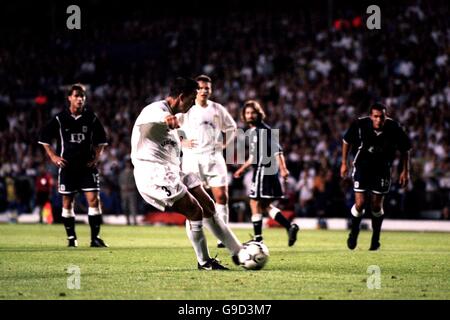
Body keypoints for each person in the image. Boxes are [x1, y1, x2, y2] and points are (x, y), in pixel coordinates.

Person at [130, 77, 242, 270]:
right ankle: (205, 262)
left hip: (173, 171)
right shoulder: (155, 110)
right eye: (191, 99)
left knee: (209, 205)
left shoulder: (177, 118)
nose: (192, 104)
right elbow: (154, 118)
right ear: (181, 97)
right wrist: (166, 120)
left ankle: (239, 252)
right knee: (194, 211)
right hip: (153, 174)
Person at [38, 84, 109, 248]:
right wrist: (53, 156)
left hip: (87, 167)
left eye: (82, 96)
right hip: (67, 168)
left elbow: (101, 140)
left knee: (93, 199)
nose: (80, 99)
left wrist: (97, 157)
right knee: (67, 203)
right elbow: (44, 138)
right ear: (69, 98)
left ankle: (95, 238)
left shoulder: (91, 117)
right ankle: (71, 238)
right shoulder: (59, 118)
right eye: (77, 96)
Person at [340, 102, 411, 250]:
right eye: (376, 117)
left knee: (376, 205)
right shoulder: (360, 124)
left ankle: (375, 239)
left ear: (386, 116)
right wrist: (344, 163)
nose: (379, 120)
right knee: (360, 203)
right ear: (371, 116)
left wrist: (406, 170)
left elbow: (405, 148)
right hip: (362, 167)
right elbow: (346, 141)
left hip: (382, 169)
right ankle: (353, 233)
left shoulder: (394, 127)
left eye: (382, 117)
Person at [177, 75, 237, 248]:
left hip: (213, 156)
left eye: (207, 88)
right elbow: (174, 127)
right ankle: (194, 234)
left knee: (222, 196)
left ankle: (222, 238)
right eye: (201, 88)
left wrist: (225, 144)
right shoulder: (187, 108)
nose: (204, 91)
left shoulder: (217, 109)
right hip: (192, 157)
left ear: (211, 90)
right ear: (195, 90)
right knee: (193, 200)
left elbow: (232, 128)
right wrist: (182, 141)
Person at [233, 100, 299, 246]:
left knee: (254, 202)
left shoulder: (263, 130)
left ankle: (258, 239)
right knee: (264, 205)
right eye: (247, 113)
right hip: (261, 169)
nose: (250, 115)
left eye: (252, 113)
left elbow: (277, 150)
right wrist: (241, 170)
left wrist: (283, 168)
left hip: (264, 169)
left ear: (258, 114)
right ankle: (290, 226)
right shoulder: (253, 132)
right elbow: (252, 157)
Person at [118, 159, 139, 225]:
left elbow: (136, 182)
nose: (128, 165)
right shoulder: (122, 173)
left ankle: (134, 222)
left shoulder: (134, 172)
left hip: (131, 192)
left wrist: (131, 187)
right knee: (125, 207)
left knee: (133, 207)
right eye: (127, 163)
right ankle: (128, 221)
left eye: (129, 163)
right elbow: (120, 182)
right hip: (124, 193)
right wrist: (122, 187)